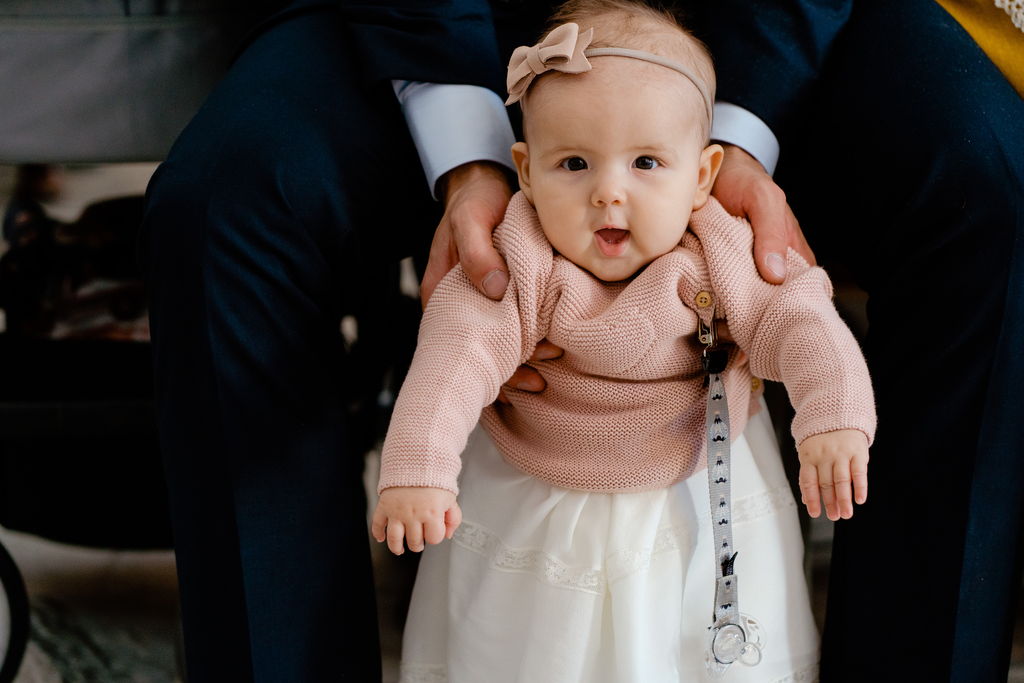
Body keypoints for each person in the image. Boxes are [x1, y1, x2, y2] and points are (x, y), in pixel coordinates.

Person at [372, 4, 875, 680]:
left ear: (702, 175)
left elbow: (799, 317)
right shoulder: (519, 250)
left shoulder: (717, 242)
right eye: (574, 163)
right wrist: (417, 468)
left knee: (697, 653)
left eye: (645, 162)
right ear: (524, 170)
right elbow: (454, 352)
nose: (609, 193)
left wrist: (832, 415)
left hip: (696, 488)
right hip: (535, 497)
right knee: (528, 654)